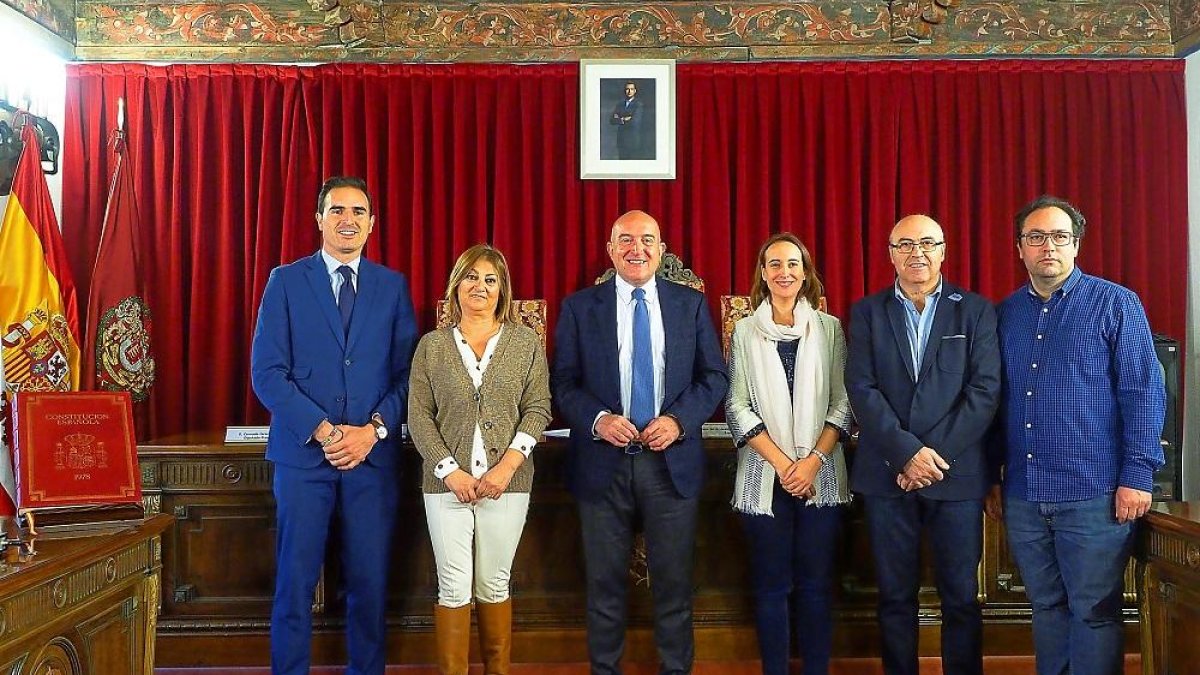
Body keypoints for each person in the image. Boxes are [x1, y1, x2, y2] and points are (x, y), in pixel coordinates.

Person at [987, 195, 1165, 675]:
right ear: (1019, 248)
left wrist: (1138, 474)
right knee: (1045, 608)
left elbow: (1143, 391)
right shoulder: (1004, 315)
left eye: (1059, 236)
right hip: (1024, 494)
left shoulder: (1116, 304)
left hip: (1095, 494)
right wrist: (993, 478)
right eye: (1036, 237)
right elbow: (993, 403)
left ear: (1076, 244)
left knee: (1093, 612)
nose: (1049, 246)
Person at [251, 175, 418, 675]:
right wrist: (325, 432)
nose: (348, 220)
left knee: (369, 582)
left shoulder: (392, 286)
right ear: (319, 219)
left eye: (358, 212)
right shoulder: (286, 280)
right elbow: (267, 373)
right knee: (295, 582)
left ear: (372, 224)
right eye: (337, 210)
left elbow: (409, 372)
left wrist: (372, 431)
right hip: (304, 459)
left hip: (373, 460)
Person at [551, 210, 727, 675]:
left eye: (647, 240)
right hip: (601, 465)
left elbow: (714, 377)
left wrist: (679, 420)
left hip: (670, 465)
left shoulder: (689, 304)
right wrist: (598, 419)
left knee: (674, 587)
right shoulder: (579, 307)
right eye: (625, 240)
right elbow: (563, 383)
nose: (637, 249)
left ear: (661, 250)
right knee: (604, 588)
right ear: (610, 250)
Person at [845, 214, 1000, 675]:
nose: (918, 252)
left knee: (960, 597)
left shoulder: (974, 310)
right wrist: (906, 452)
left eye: (928, 243)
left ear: (944, 250)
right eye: (906, 244)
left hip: (956, 474)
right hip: (887, 473)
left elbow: (985, 390)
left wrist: (932, 456)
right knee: (894, 596)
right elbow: (862, 388)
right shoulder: (868, 312)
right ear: (891, 253)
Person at [408, 244, 552, 675]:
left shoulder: (525, 343)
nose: (481, 287)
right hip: (445, 487)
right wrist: (448, 472)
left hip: (506, 485)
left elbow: (539, 408)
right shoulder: (431, 346)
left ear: (502, 290)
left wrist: (507, 466)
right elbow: (418, 416)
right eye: (472, 277)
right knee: (453, 588)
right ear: (456, 285)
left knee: (494, 583)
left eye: (491, 280)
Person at [725, 233, 853, 675]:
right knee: (771, 587)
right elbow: (736, 405)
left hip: (821, 474)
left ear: (805, 272)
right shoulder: (744, 330)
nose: (784, 272)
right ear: (763, 273)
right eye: (775, 264)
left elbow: (842, 402)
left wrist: (812, 460)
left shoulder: (830, 328)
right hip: (765, 477)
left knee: (817, 586)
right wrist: (784, 464)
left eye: (793, 264)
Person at [608, 81, 650, 160]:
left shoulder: (638, 104)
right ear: (625, 90)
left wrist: (619, 118)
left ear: (635, 91)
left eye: (631, 89)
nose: (629, 91)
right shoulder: (620, 104)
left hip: (633, 142)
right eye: (627, 89)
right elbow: (611, 120)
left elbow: (634, 122)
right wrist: (624, 119)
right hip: (621, 141)